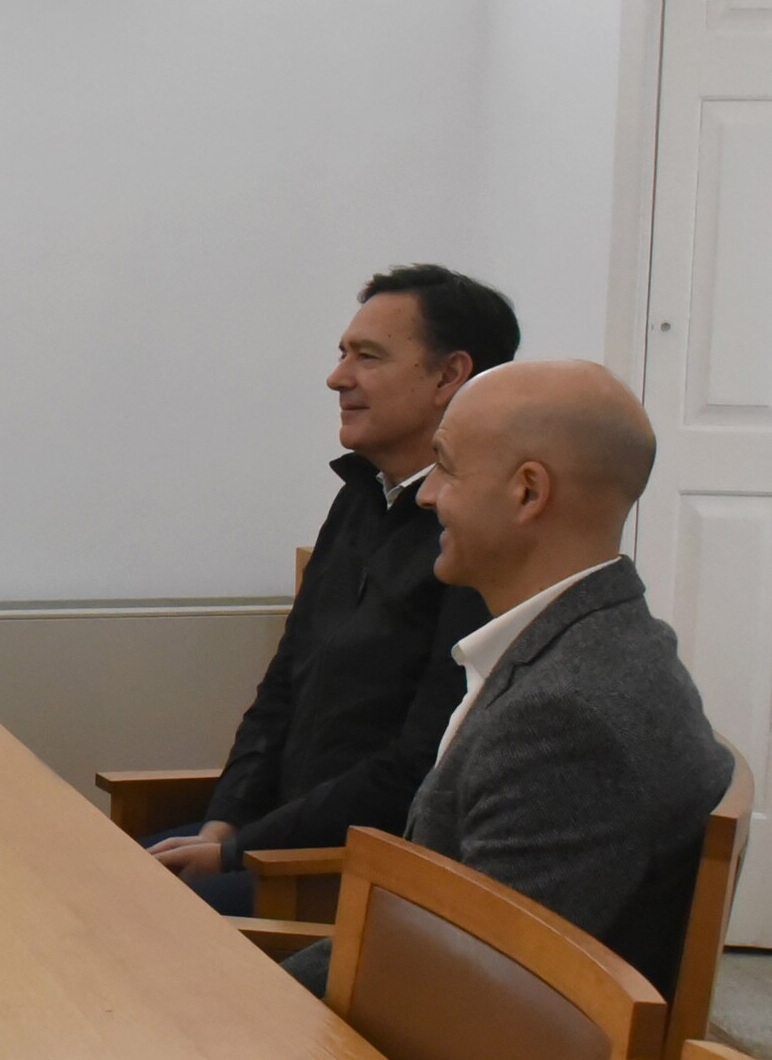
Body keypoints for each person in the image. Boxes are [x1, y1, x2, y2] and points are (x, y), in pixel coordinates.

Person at [286, 361, 730, 995]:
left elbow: (464, 985)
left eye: (446, 467)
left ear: (528, 493)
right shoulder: (598, 647)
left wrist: (256, 1004)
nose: (427, 495)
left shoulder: (566, 719)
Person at [147, 266, 517, 914]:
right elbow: (283, 685)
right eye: (342, 354)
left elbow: (421, 763)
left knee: (122, 916)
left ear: (449, 376)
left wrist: (238, 853)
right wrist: (223, 823)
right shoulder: (359, 498)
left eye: (367, 357)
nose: (337, 378)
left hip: (353, 873)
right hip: (272, 839)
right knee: (84, 879)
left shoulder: (480, 536)